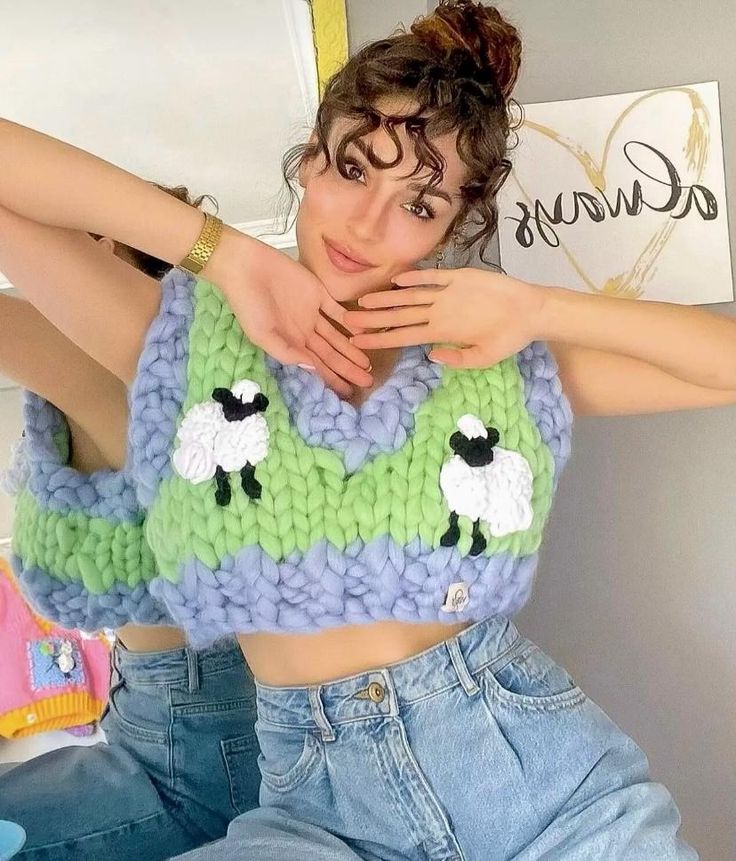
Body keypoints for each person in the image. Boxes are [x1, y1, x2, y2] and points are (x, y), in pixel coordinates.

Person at [2, 1, 731, 856]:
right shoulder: (179, 339)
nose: (368, 222)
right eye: (354, 169)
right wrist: (221, 252)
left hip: (552, 798)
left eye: (419, 204)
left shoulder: (489, 358)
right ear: (309, 161)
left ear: (456, 224)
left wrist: (536, 305)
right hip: (321, 815)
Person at [0, 187, 264, 861]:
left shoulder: (125, 367)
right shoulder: (143, 372)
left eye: (67, 244)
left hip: (193, 762)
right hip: (164, 723)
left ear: (114, 255)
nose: (37, 268)